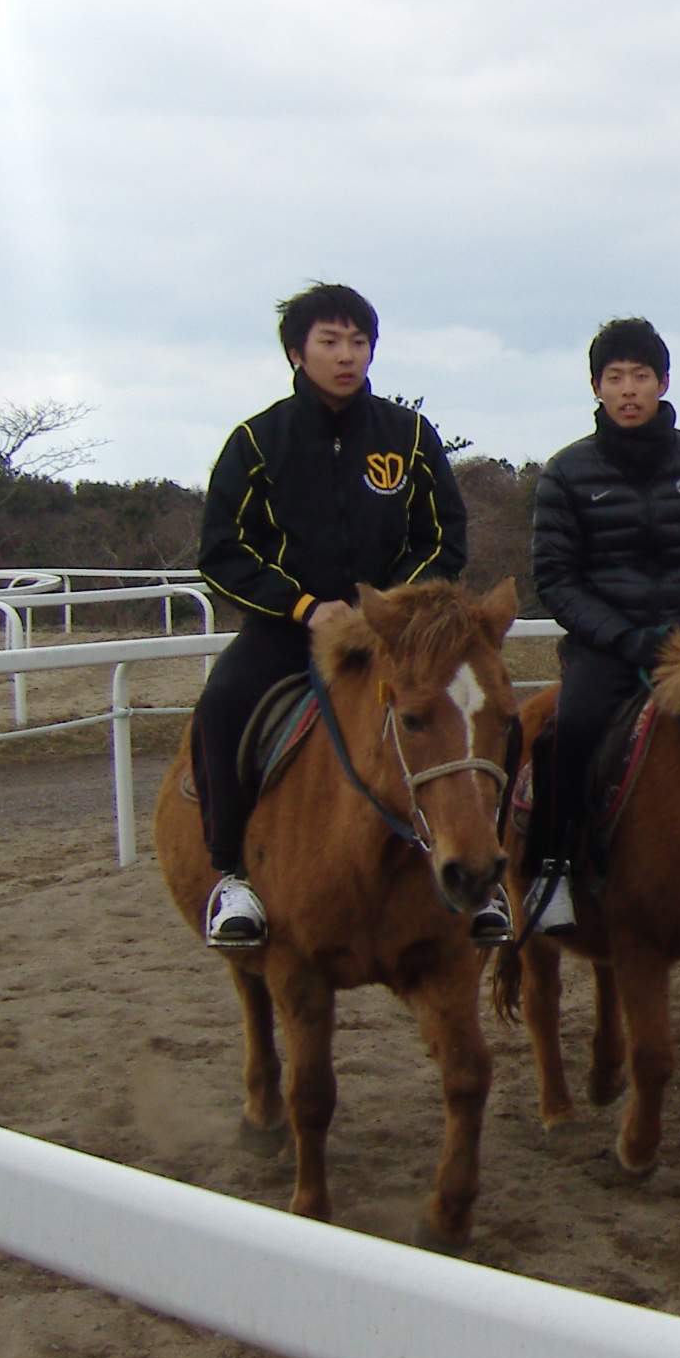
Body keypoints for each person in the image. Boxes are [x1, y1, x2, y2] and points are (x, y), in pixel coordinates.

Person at [193, 280, 474, 949]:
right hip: (289, 631)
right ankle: (232, 875)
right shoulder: (257, 442)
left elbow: (445, 538)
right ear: (297, 353)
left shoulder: (407, 435)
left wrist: (388, 609)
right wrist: (304, 607)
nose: (347, 355)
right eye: (330, 341)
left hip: (392, 636)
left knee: (483, 706)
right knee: (222, 707)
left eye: (359, 341)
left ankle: (491, 876)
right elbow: (222, 551)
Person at [523, 318, 680, 935]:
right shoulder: (566, 472)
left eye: (640, 377)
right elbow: (555, 577)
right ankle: (551, 868)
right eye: (615, 378)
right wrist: (622, 636)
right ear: (596, 388)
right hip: (608, 643)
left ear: (662, 382)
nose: (628, 390)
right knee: (566, 732)